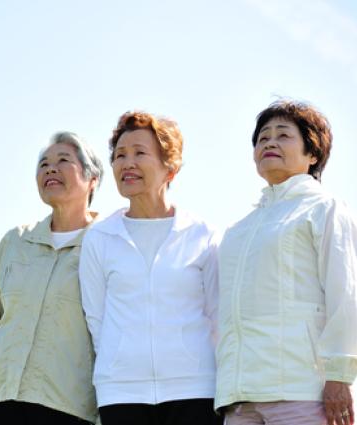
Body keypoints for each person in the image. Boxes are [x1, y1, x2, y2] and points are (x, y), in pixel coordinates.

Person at [215, 100, 357, 425]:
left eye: (283, 135)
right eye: (262, 137)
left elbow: (349, 295)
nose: (269, 142)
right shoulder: (237, 231)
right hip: (240, 398)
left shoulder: (325, 209)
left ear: (312, 154)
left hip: (301, 390)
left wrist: (340, 376)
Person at [79, 111, 222, 425]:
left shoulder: (203, 235)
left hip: (195, 388)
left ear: (169, 167)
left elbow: (217, 317)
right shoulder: (99, 238)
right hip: (121, 392)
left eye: (139, 153)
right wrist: (120, 364)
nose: (127, 163)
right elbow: (97, 319)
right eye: (119, 156)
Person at [0, 132, 104, 425]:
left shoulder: (106, 245)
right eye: (43, 164)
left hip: (67, 408)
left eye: (63, 161)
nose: (50, 168)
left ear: (92, 179)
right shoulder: (15, 241)